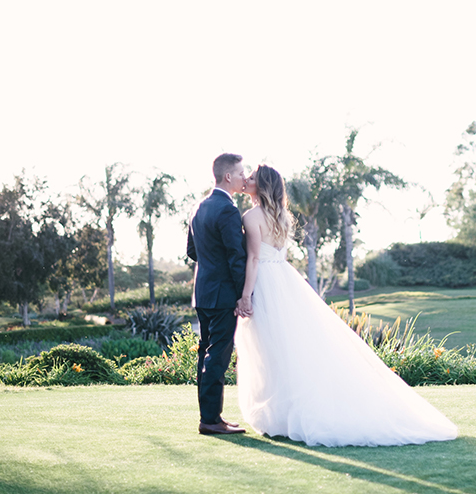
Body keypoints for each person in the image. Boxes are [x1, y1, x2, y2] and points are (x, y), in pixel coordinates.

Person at [235, 164, 458, 447]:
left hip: (266, 284)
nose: (247, 180)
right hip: (285, 282)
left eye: (252, 177)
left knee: (270, 350)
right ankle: (282, 414)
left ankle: (279, 415)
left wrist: (245, 296)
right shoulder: (282, 218)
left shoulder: (251, 216)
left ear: (263, 185)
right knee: (287, 349)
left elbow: (253, 259)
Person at [187, 153, 248, 435]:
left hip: (203, 292)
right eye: (240, 173)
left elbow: (191, 251)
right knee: (217, 356)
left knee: (206, 354)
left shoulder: (199, 207)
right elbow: (237, 255)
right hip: (223, 294)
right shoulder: (227, 210)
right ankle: (210, 421)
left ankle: (212, 416)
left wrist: (211, 262)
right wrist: (241, 294)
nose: (243, 177)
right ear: (228, 177)